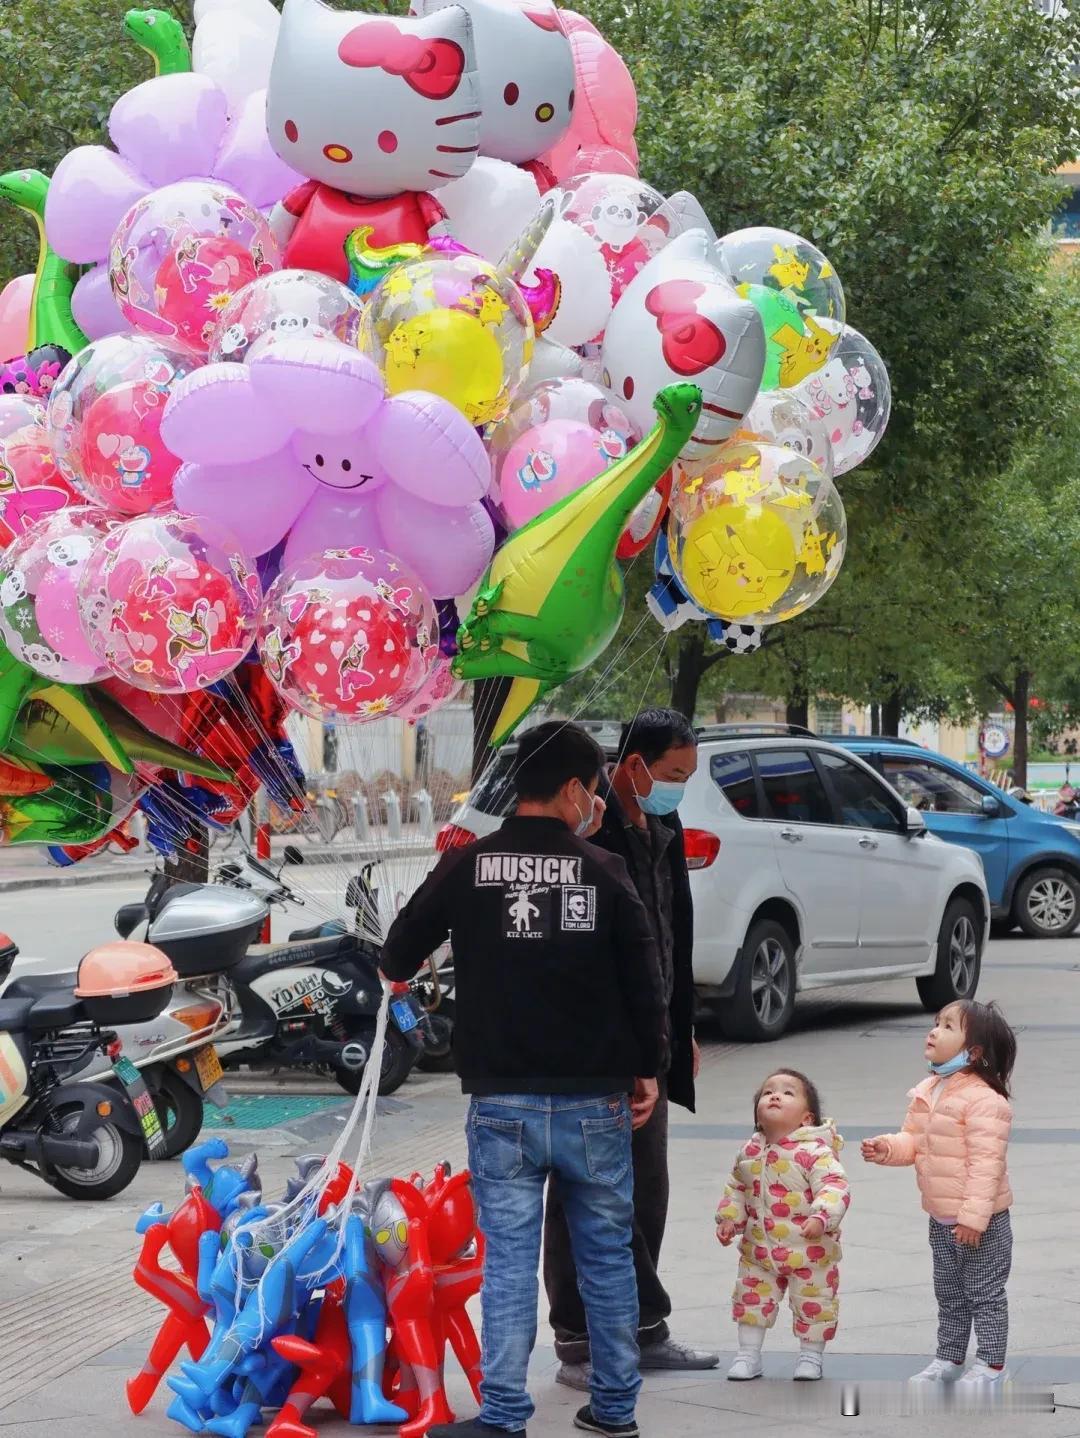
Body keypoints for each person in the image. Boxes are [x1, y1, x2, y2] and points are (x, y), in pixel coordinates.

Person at [380, 720, 668, 1438]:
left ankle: (504, 1414)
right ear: (574, 789)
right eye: (592, 789)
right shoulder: (604, 870)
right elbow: (645, 980)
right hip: (594, 1100)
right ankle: (615, 1410)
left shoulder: (467, 865)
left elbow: (396, 955)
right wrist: (647, 1070)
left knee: (508, 1261)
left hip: (502, 1099)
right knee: (605, 1258)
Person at [544, 707, 719, 1385]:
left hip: (653, 1037)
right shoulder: (589, 830)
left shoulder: (663, 827)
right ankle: (579, 1337)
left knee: (646, 1187)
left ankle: (641, 1329)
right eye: (671, 775)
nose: (677, 789)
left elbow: (676, 933)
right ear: (634, 765)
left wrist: (681, 1026)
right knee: (581, 1190)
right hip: (600, 1046)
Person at [862, 1000, 1017, 1387]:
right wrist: (888, 1148)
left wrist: (973, 1218)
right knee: (949, 1293)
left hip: (982, 1222)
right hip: (940, 1217)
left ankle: (992, 1364)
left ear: (974, 1052)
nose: (933, 1031)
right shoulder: (929, 1090)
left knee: (984, 1294)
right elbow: (913, 1140)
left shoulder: (985, 1101)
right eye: (936, 1023)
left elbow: (987, 1165)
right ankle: (948, 1357)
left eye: (948, 1026)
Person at [715, 1070, 849, 1381]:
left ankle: (810, 1356)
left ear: (806, 1118)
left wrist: (822, 1216)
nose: (775, 1095)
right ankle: (748, 1355)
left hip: (810, 1250)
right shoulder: (749, 1152)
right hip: (759, 1250)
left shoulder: (815, 1152)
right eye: (768, 1092)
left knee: (815, 1302)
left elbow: (834, 1185)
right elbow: (736, 1187)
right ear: (758, 1116)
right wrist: (729, 1219)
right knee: (750, 1300)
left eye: (788, 1093)